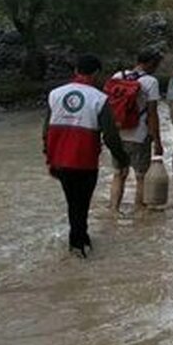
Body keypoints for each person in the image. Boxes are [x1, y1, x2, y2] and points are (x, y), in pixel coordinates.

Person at [43, 54, 130, 257]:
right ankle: (78, 244)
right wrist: (123, 159)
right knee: (81, 202)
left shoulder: (55, 94)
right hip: (84, 160)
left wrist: (49, 156)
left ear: (76, 71)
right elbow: (110, 135)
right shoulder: (99, 99)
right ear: (96, 73)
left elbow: (46, 130)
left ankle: (80, 239)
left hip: (60, 160)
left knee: (72, 201)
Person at [106, 48, 164, 214]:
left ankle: (114, 210)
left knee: (119, 174)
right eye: (157, 64)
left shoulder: (117, 76)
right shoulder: (151, 82)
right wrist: (157, 142)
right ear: (151, 63)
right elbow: (152, 114)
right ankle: (139, 211)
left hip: (117, 134)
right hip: (139, 135)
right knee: (141, 177)